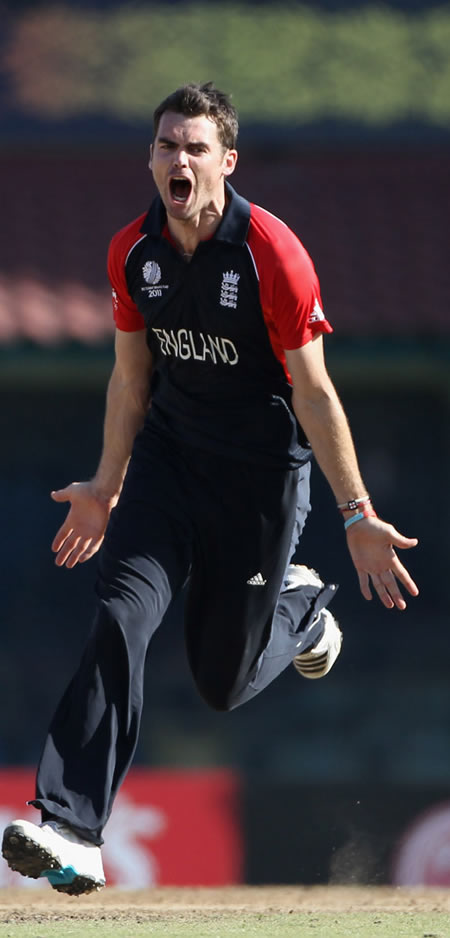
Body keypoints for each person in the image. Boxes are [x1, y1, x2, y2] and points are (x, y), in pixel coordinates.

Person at [2, 82, 418, 895]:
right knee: (120, 616)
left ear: (227, 161)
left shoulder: (272, 252)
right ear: (151, 160)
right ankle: (72, 829)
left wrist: (358, 515)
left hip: (259, 485)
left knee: (222, 683)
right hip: (167, 467)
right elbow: (129, 383)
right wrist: (103, 485)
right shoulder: (133, 250)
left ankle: (299, 614)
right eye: (165, 146)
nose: (177, 160)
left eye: (194, 147)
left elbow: (316, 394)